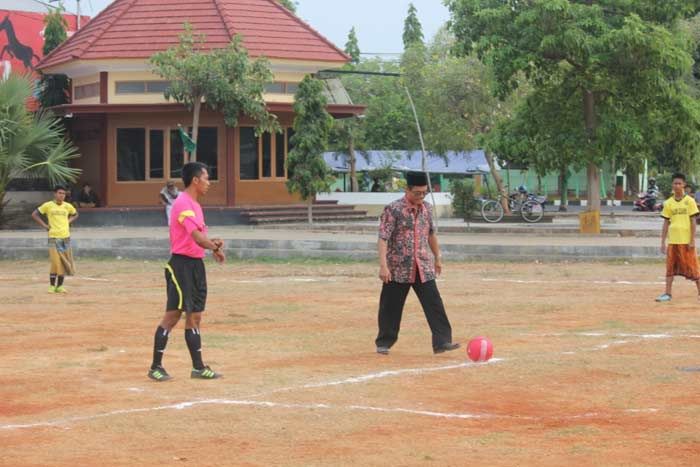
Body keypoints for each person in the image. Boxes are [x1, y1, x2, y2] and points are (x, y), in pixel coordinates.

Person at [148, 162, 225, 382]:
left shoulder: (196, 205)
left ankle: (198, 368)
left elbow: (202, 239)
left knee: (195, 316)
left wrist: (213, 248)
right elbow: (196, 238)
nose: (209, 183)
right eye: (207, 178)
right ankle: (155, 367)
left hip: (195, 265)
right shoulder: (183, 203)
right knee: (173, 317)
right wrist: (214, 246)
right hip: (181, 266)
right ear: (195, 180)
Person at [375, 171, 460, 355]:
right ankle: (384, 342)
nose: (421, 196)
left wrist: (437, 257)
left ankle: (442, 342)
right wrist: (383, 266)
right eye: (417, 193)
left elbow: (430, 234)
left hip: (423, 266)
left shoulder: (427, 208)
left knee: (435, 304)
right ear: (407, 189)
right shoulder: (393, 209)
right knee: (390, 307)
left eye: (424, 193)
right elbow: (383, 238)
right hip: (398, 268)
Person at [657, 173, 700, 302]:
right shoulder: (668, 203)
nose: (677, 186)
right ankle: (667, 294)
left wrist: (692, 240)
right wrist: (662, 242)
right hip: (673, 242)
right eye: (675, 183)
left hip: (686, 242)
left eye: (679, 183)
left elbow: (693, 222)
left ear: (684, 185)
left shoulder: (689, 201)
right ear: (672, 185)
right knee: (669, 268)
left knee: (693, 268)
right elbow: (666, 223)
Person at [31, 186, 79, 294]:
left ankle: (60, 286)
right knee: (55, 262)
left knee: (63, 261)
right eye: (60, 193)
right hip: (53, 237)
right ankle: (52, 286)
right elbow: (34, 214)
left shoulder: (67, 206)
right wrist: (45, 225)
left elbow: (75, 214)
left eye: (64, 193)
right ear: (55, 194)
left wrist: (68, 221)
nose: (62, 195)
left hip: (65, 237)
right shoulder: (48, 205)